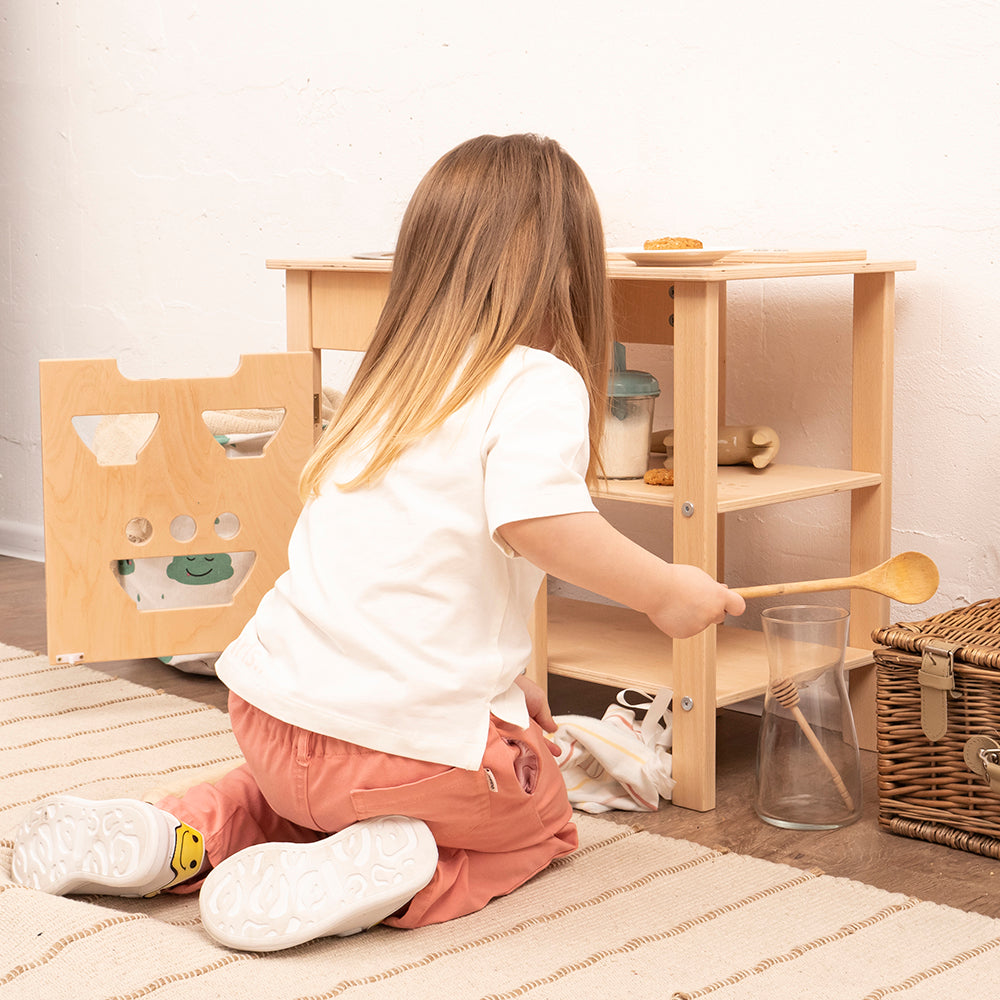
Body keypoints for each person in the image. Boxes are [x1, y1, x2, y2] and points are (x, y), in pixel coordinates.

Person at [12, 133, 745, 952]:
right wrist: (663, 591)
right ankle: (411, 873)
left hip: (270, 717)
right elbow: (537, 524)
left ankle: (173, 831)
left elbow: (419, 567)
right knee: (543, 820)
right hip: (394, 761)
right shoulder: (539, 380)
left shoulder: (384, 378)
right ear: (568, 268)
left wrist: (513, 684)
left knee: (283, 797)